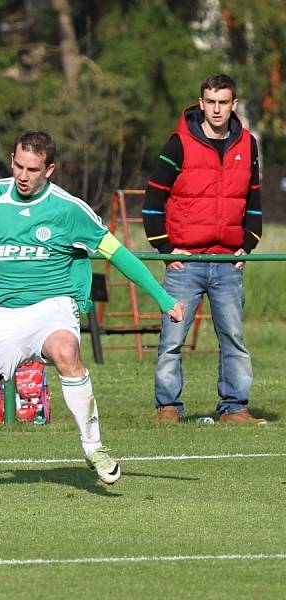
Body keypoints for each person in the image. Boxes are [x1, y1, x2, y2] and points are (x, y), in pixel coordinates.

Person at [0, 131, 184, 493]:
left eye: (32, 169)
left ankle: (95, 449)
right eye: (18, 165)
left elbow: (117, 253)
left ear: (50, 169)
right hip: (2, 313)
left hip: (52, 307)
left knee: (65, 350)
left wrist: (163, 298)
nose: (22, 176)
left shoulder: (69, 209)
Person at [143, 74, 265, 425]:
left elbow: (253, 200)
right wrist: (168, 251)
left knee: (234, 339)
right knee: (171, 340)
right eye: (210, 102)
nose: (216, 109)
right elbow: (152, 204)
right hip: (185, 263)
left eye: (223, 102)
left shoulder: (248, 144)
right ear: (201, 103)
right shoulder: (178, 144)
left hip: (229, 262)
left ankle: (235, 408)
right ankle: (167, 408)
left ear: (233, 105)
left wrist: (247, 246)